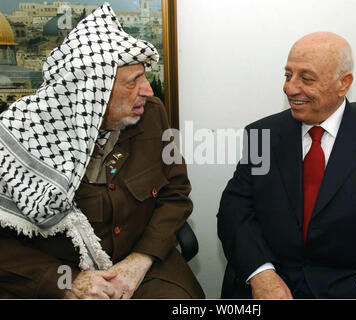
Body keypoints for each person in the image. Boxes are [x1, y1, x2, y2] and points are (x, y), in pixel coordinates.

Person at [0, 3, 204, 299]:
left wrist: (139, 261)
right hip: (60, 277)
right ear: (92, 92)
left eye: (145, 76)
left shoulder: (153, 116)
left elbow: (176, 193)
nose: (148, 91)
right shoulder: (16, 138)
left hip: (145, 265)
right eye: (133, 82)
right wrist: (67, 282)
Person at [217, 31, 356, 299]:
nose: (290, 88)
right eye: (287, 75)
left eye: (306, 78)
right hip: (277, 284)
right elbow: (234, 210)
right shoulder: (263, 136)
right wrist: (262, 273)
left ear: (343, 83)